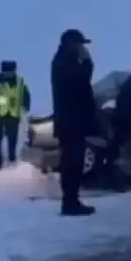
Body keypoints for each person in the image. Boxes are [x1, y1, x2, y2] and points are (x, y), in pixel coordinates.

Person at [51, 29, 98, 216]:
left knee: (74, 163)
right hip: (71, 122)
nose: (82, 48)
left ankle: (72, 200)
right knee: (71, 163)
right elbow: (81, 80)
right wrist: (87, 62)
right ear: (71, 44)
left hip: (72, 120)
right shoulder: (64, 63)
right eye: (79, 44)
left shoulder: (64, 60)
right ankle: (70, 203)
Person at [0, 60, 31, 170]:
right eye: (6, 72)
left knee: (12, 139)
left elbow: (26, 95)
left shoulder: (20, 82)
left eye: (11, 72)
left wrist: (26, 106)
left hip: (13, 115)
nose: (9, 74)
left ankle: (11, 159)